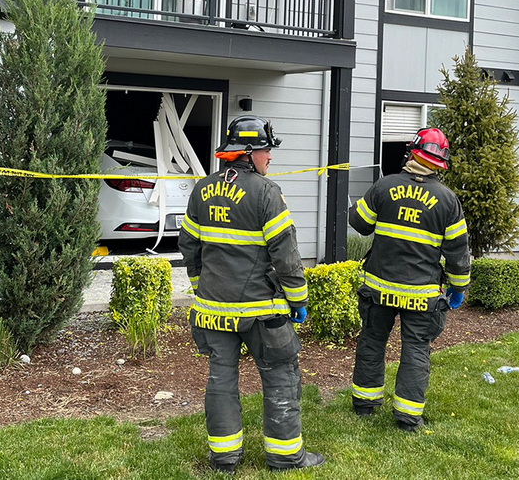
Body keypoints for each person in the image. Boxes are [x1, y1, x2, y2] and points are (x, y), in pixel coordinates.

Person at [178, 116, 324, 473]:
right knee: (281, 374)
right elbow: (286, 255)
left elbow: (188, 246)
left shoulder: (202, 190)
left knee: (221, 378)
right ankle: (286, 455)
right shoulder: (266, 192)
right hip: (262, 312)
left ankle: (225, 457)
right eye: (265, 150)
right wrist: (299, 300)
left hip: (213, 310)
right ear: (248, 152)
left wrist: (202, 288)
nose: (270, 157)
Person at [348, 127, 471, 432]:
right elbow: (458, 251)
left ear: (411, 153)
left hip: (379, 288)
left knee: (373, 341)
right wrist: (459, 286)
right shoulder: (447, 200)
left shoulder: (384, 186)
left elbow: (359, 224)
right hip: (422, 293)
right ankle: (407, 417)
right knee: (416, 347)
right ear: (440, 162)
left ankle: (365, 403)